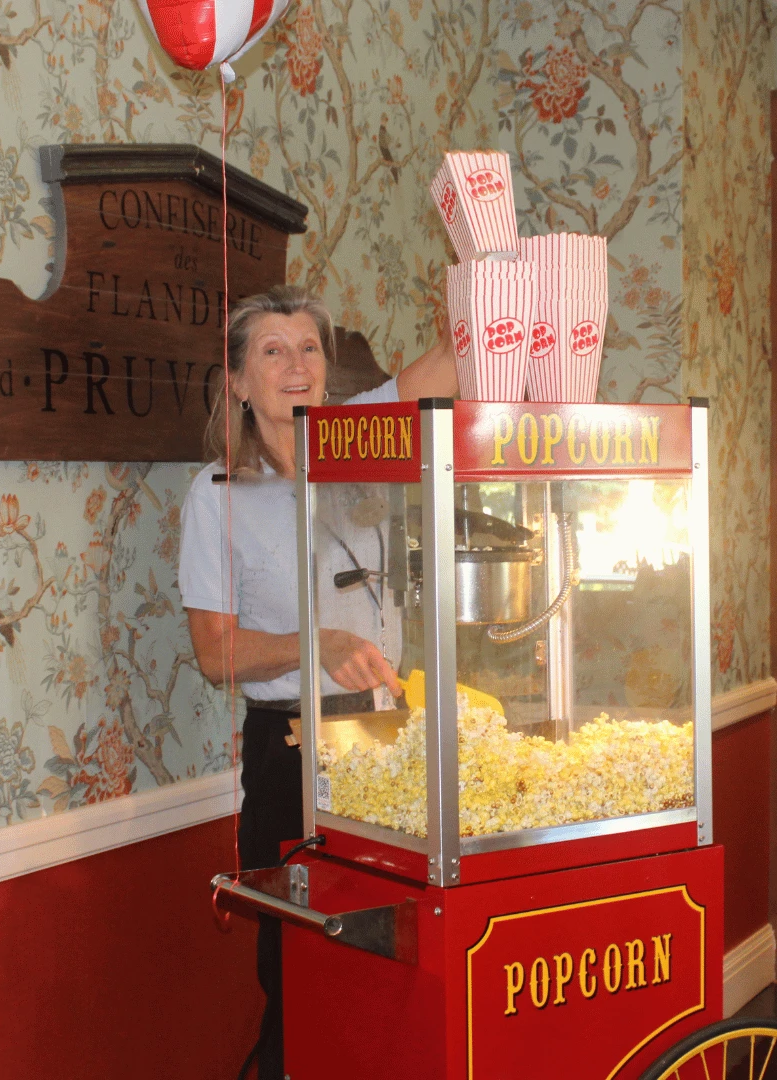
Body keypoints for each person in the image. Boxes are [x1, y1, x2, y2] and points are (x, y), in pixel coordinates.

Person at [178, 285, 456, 1078]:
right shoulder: (217, 496)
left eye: (308, 348)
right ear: (236, 382)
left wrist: (475, 291)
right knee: (301, 961)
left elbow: (448, 366)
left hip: (385, 732)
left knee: (391, 958)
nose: (296, 366)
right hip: (292, 751)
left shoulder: (359, 436)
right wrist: (316, 644)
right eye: (272, 351)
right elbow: (214, 653)